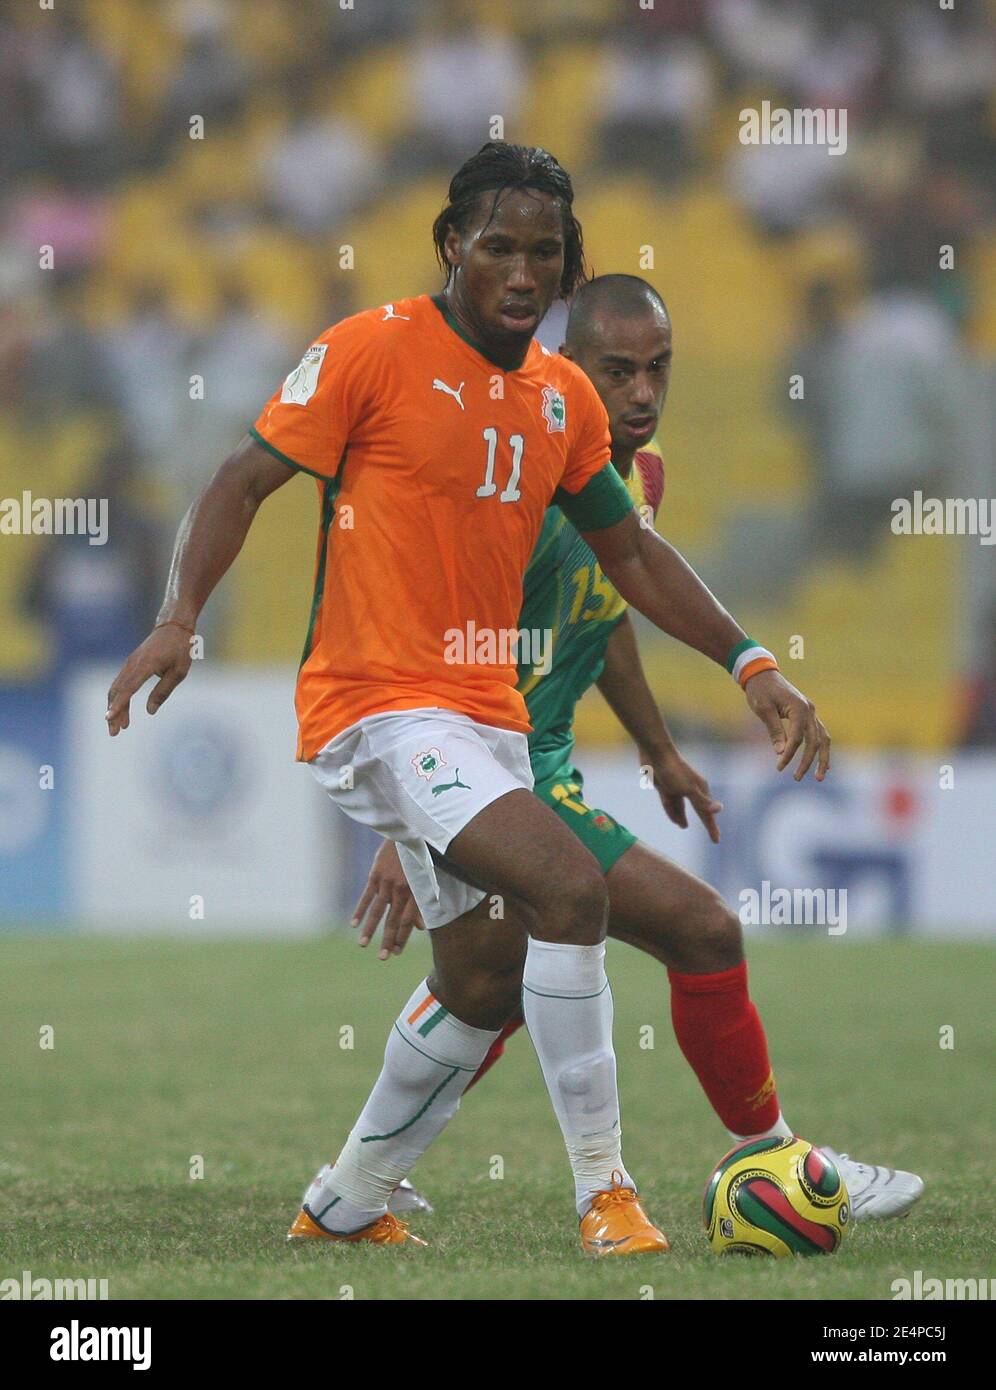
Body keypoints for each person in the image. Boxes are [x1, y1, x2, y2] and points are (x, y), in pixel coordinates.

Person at [106, 142, 830, 1256]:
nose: (522, 272)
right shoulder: (370, 349)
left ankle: (342, 1204)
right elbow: (241, 479)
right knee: (568, 886)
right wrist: (178, 615)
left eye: (544, 253)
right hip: (375, 702)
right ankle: (606, 1193)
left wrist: (751, 663)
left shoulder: (562, 401)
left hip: (484, 719)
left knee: (485, 976)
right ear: (452, 246)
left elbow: (630, 559)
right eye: (498, 246)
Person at [353, 275, 924, 1226]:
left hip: (535, 771)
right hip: (489, 771)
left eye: (657, 368)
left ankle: (356, 1186)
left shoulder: (633, 478)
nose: (642, 394)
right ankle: (772, 1161)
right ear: (567, 370)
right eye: (616, 372)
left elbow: (605, 606)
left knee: (487, 988)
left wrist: (656, 745)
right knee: (692, 934)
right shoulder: (523, 486)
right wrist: (415, 815)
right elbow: (440, 638)